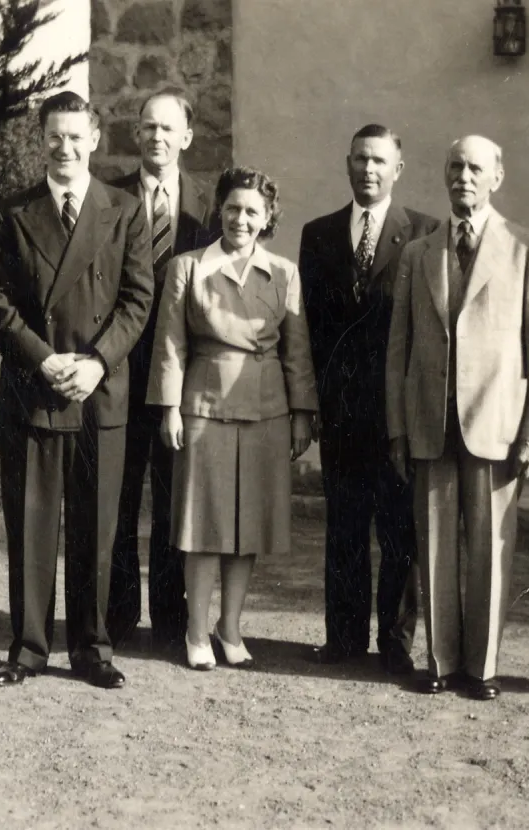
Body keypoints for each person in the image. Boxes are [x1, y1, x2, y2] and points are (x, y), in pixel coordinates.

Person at [0, 91, 153, 690]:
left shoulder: (124, 210)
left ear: (95, 140)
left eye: (76, 136)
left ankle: (91, 649)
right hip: (37, 386)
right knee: (30, 527)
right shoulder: (11, 212)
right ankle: (28, 648)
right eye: (54, 136)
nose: (65, 148)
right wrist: (43, 358)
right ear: (41, 139)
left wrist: (98, 363)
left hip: (99, 391)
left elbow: (138, 300)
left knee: (96, 526)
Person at [385, 135, 529, 700]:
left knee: (490, 549)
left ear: (497, 177)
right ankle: (439, 660)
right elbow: (399, 349)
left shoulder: (525, 249)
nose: (464, 177)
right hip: (430, 424)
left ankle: (481, 667)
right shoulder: (420, 252)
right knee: (433, 544)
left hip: (496, 425)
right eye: (455, 167)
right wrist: (397, 427)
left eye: (476, 169)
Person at [149, 166, 318, 671]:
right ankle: (196, 631)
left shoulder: (285, 273)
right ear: (218, 211)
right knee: (204, 526)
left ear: (267, 219)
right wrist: (170, 408)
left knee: (249, 529)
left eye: (252, 212)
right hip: (205, 407)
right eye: (232, 209)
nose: (240, 220)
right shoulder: (188, 268)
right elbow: (171, 344)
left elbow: (298, 351)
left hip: (267, 410)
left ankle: (231, 628)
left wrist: (302, 415)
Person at [298, 124, 437, 675]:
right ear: (347, 163)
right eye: (359, 159)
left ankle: (396, 644)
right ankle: (344, 637)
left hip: (396, 413)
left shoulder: (423, 234)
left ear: (397, 169)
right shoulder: (319, 234)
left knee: (400, 531)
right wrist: (311, 404)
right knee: (345, 526)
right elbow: (309, 327)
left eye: (379, 161)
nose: (368, 170)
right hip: (341, 412)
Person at [106, 88, 221, 650]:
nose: (157, 137)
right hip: (121, 373)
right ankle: (118, 615)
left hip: (185, 375)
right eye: (148, 127)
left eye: (167, 129)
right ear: (138, 135)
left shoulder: (210, 205)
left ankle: (173, 621)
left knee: (177, 499)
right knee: (120, 495)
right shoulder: (111, 198)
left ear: (187, 137)